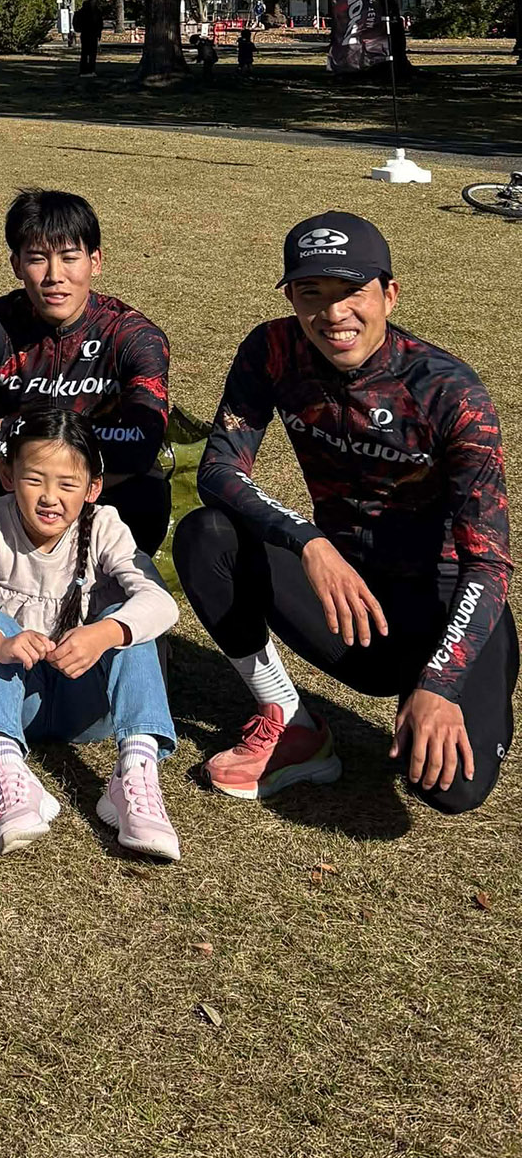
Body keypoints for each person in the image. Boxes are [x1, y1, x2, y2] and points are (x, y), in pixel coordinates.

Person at [174, 212, 514, 813]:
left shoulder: (450, 392)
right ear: (292, 299)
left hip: (441, 606)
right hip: (346, 597)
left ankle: (429, 691)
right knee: (208, 535)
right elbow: (219, 469)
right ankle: (292, 723)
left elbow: (489, 565)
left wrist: (440, 683)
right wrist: (309, 541)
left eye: (352, 290)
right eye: (311, 292)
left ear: (389, 294)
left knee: (450, 790)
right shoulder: (273, 350)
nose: (333, 313)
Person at [0, 411, 180, 861]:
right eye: (34, 480)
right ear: (7, 474)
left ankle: (135, 773)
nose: (50, 498)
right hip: (17, 702)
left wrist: (104, 633)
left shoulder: (103, 526)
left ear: (93, 488)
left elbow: (161, 602)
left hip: (87, 707)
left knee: (129, 622)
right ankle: (8, 769)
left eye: (67, 484)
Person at [0, 189, 172, 553]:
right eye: (37, 259)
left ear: (95, 261)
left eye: (69, 258)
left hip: (100, 485)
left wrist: (13, 429)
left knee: (146, 494)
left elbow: (140, 446)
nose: (54, 276)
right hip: (14, 485)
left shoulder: (135, 337)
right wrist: (39, 471)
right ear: (16, 265)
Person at [73, 0, 105, 74]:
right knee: (86, 53)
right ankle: (85, 69)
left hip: (91, 34)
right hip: (87, 33)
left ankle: (90, 69)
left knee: (91, 53)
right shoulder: (87, 11)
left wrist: (99, 33)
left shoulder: (96, 11)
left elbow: (99, 23)